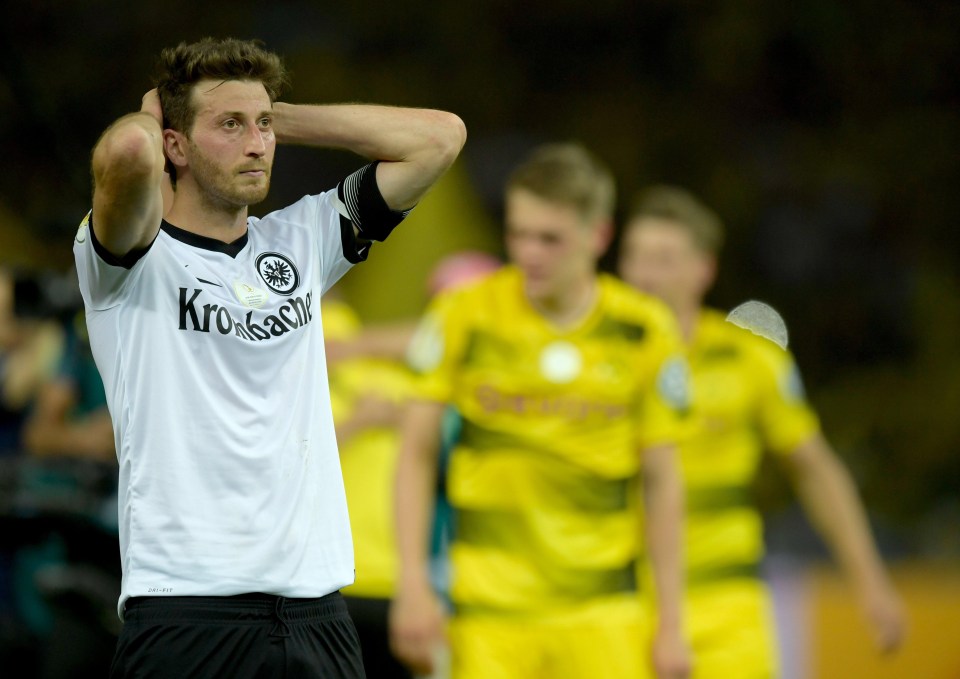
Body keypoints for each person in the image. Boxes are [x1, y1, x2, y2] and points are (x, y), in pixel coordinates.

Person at [72, 36, 465, 679]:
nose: (257, 144)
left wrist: (271, 113)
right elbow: (124, 151)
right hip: (186, 614)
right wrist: (154, 114)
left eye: (263, 127)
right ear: (175, 144)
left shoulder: (303, 240)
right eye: (230, 126)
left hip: (317, 615)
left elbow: (440, 138)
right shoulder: (129, 260)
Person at [390, 143, 692, 679]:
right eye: (518, 233)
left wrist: (672, 621)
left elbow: (663, 481)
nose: (529, 253)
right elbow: (414, 453)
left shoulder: (646, 329)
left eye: (549, 238)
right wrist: (412, 584)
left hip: (604, 614)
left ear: (598, 235)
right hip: (486, 619)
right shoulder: (463, 313)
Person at [617, 185, 906, 678]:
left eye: (663, 259)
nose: (643, 276)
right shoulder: (594, 360)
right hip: (618, 605)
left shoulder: (751, 360)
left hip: (728, 604)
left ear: (703, 269)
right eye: (633, 256)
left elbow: (815, 470)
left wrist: (869, 580)